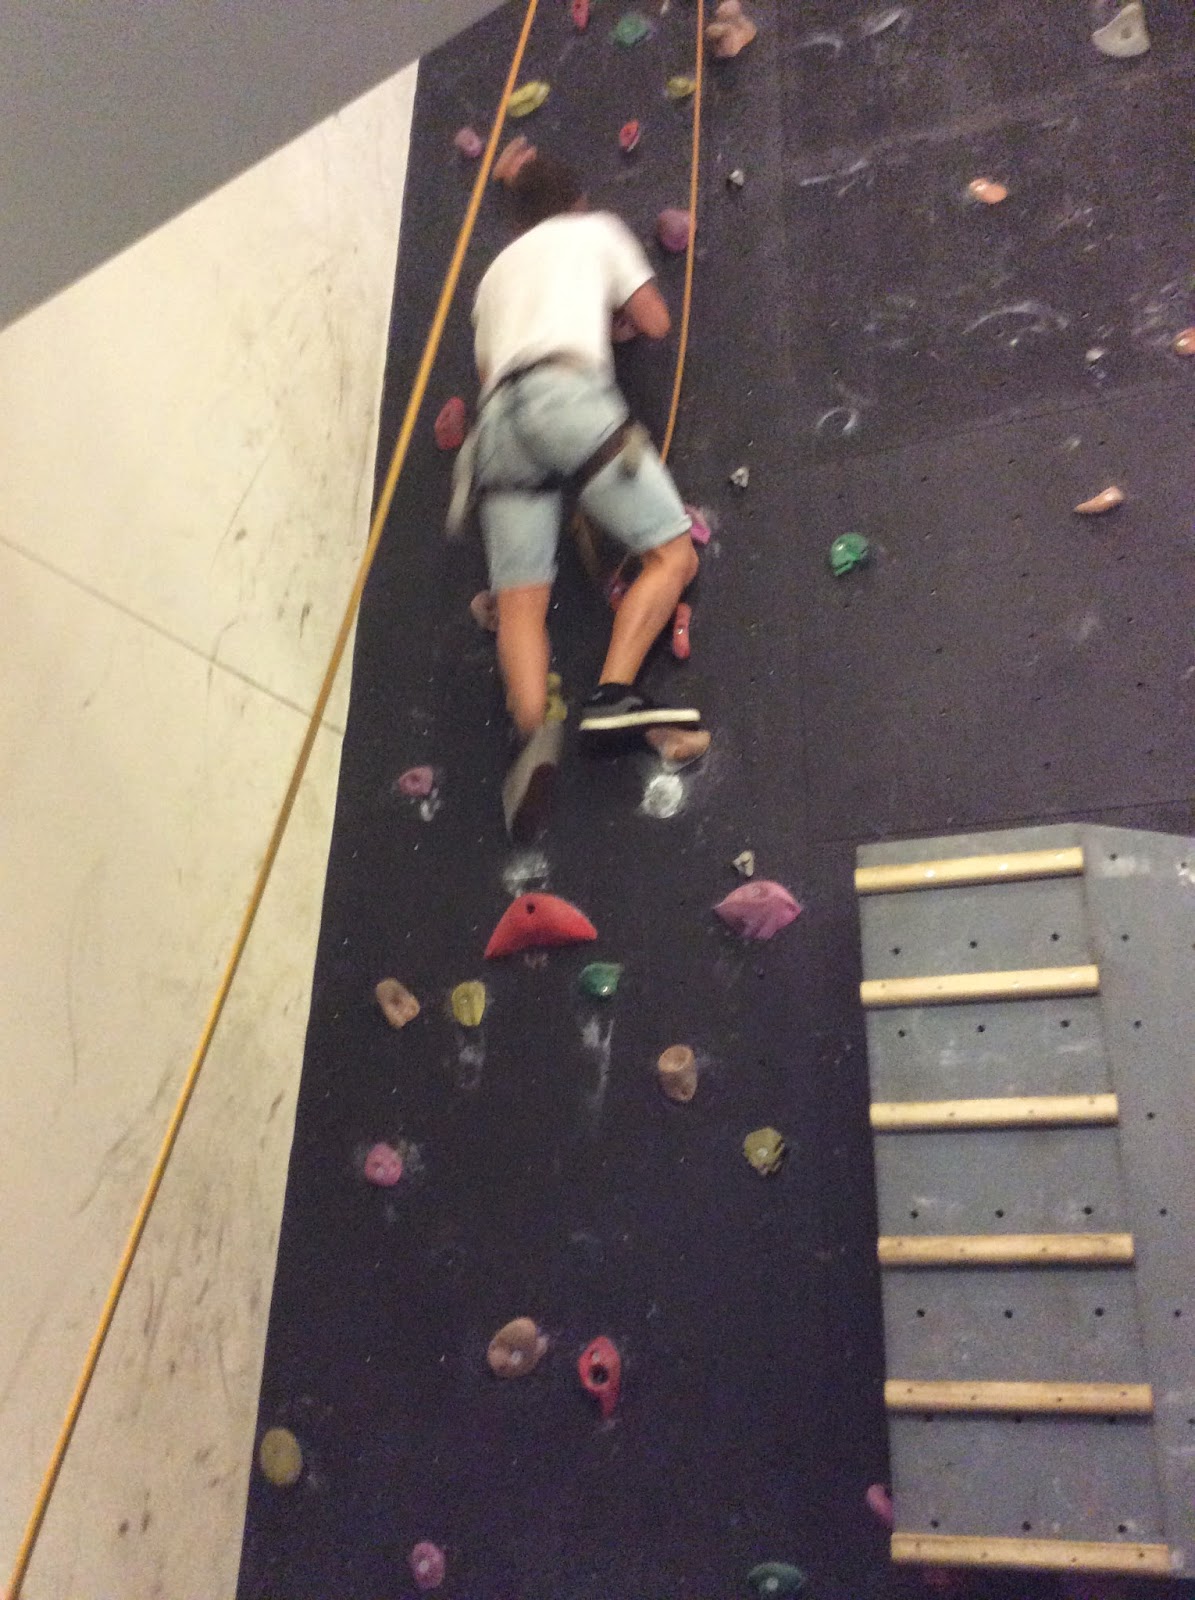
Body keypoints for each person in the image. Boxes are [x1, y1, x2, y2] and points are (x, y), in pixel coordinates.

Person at [467, 141, 701, 841]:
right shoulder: (595, 230)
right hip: (566, 398)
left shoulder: (493, 275)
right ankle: (615, 696)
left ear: (516, 224)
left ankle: (532, 736)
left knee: (520, 605)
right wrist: (615, 320)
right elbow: (655, 321)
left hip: (497, 427)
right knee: (671, 555)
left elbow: (491, 375)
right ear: (575, 202)